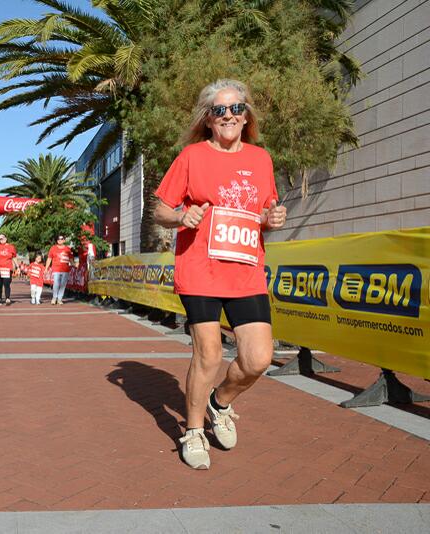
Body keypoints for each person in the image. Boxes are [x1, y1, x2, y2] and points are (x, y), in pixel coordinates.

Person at [153, 79, 287, 470]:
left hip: (245, 271)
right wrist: (181, 215)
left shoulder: (261, 159)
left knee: (259, 357)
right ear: (208, 120)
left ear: (246, 117)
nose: (228, 116)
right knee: (208, 354)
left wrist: (273, 218)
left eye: (235, 109)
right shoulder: (192, 156)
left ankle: (220, 403)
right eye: (219, 110)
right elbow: (161, 208)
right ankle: (193, 431)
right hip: (201, 269)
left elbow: (266, 210)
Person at [0, 234, 18, 305]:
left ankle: (7, 298)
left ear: (6, 239)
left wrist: (17, 266)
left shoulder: (11, 247)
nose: (1, 240)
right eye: (0, 239)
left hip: (7, 268)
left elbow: (14, 257)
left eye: (3, 238)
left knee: (7, 283)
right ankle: (0, 298)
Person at [46, 235, 72, 305]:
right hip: (56, 269)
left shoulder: (68, 249)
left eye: (61, 239)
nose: (60, 240)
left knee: (63, 285)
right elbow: (49, 258)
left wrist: (74, 265)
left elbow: (71, 259)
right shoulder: (53, 248)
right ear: (57, 240)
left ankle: (60, 299)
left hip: (65, 269)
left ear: (64, 240)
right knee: (56, 284)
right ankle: (54, 298)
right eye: (58, 239)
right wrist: (46, 268)